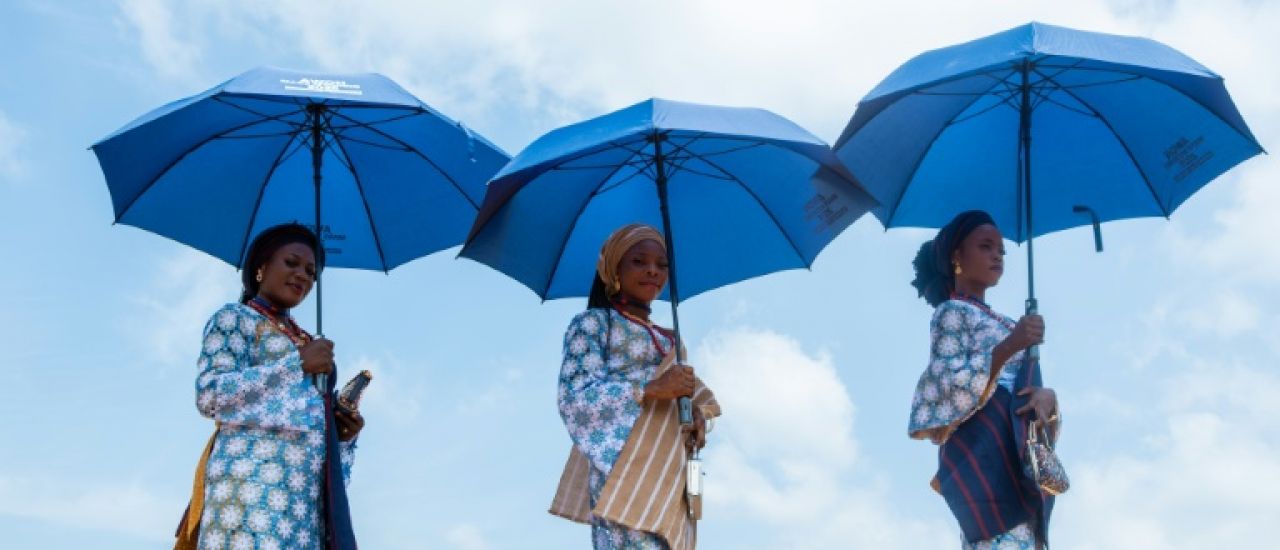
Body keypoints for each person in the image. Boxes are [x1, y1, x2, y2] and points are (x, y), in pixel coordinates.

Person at [175, 223, 364, 550]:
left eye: (311, 271)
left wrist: (342, 435)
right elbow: (210, 396)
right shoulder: (236, 318)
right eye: (292, 263)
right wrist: (296, 365)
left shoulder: (309, 342)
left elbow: (316, 439)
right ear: (260, 268)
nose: (303, 275)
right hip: (249, 492)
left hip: (304, 505)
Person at [550, 224, 722, 550]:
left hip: (669, 470)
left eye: (662, 265)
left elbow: (684, 398)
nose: (652, 271)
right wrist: (650, 388)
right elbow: (574, 396)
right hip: (624, 469)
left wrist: (695, 414)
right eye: (639, 261)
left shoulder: (669, 340)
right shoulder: (593, 325)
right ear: (613, 268)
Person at [907, 210, 1061, 550]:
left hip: (1016, 448)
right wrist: (1013, 344)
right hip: (984, 451)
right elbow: (948, 385)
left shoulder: (1008, 321)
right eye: (986, 246)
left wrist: (1046, 397)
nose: (997, 256)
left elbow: (1024, 390)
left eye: (1002, 251)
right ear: (957, 256)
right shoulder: (950, 313)